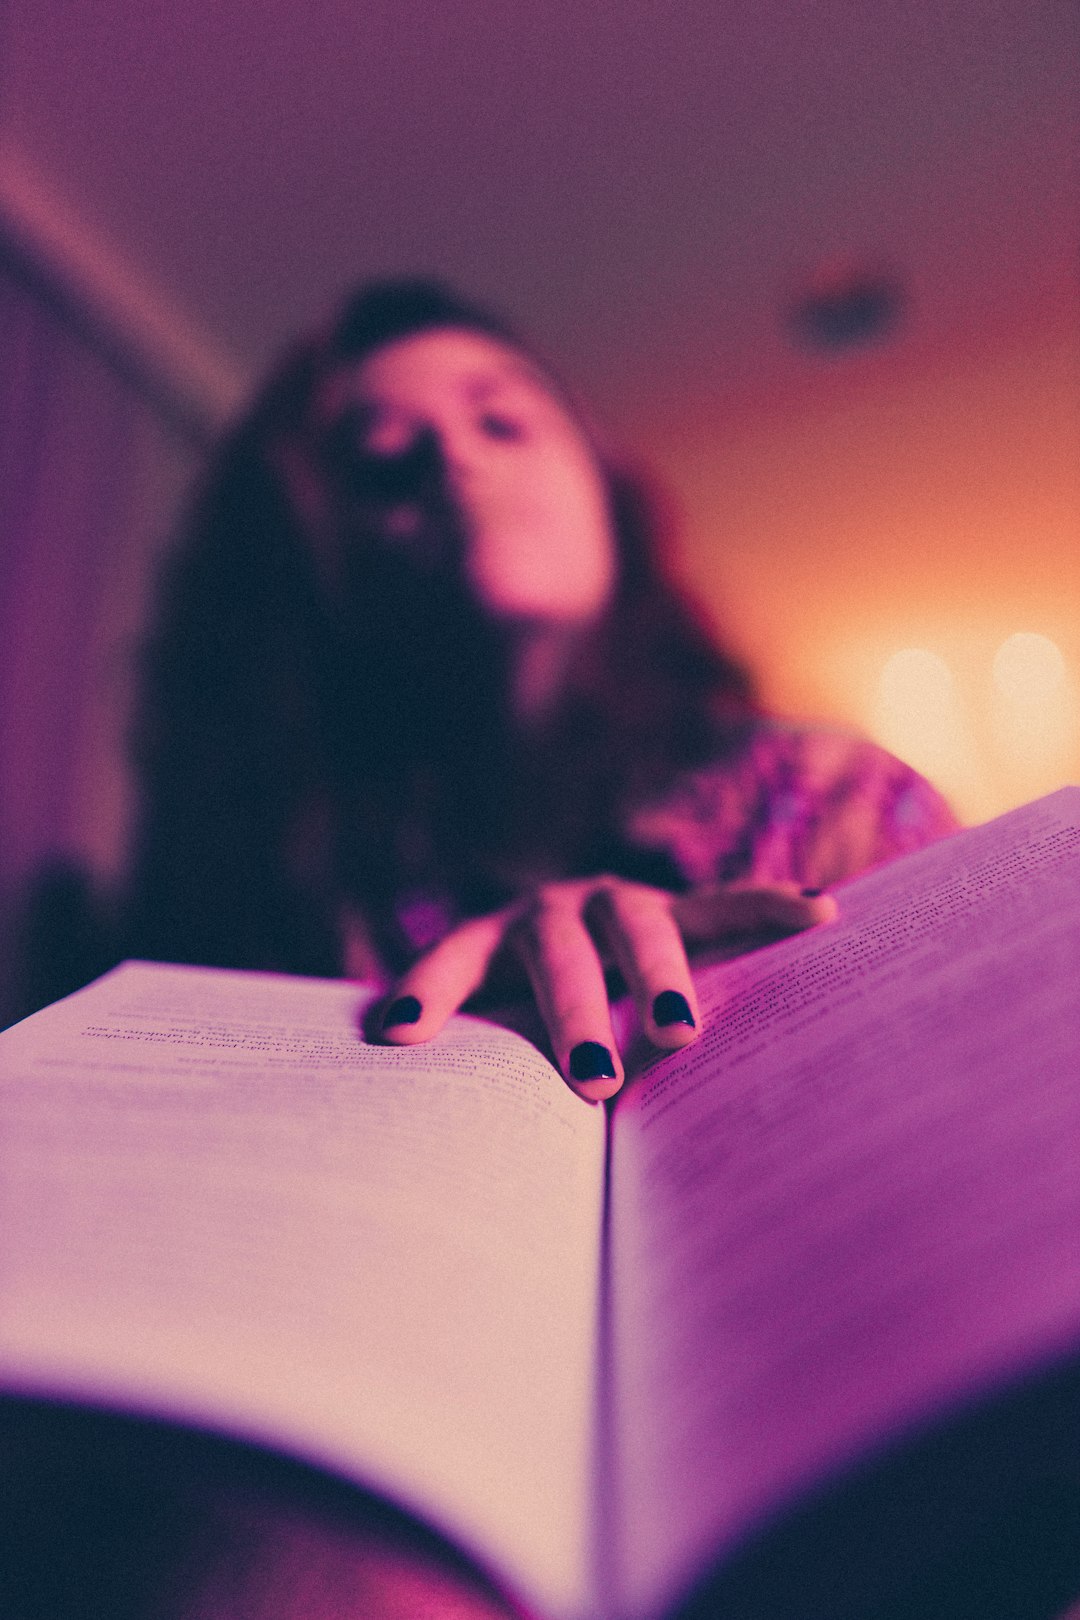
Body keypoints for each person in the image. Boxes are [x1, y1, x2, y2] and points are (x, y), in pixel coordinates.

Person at [121, 277, 957, 1101]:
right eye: (384, 461)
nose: (454, 457)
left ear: (606, 490)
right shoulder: (271, 875)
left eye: (504, 421)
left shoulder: (838, 800)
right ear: (320, 573)